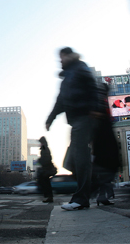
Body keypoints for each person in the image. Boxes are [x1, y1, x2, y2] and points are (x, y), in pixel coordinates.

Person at [46, 47, 99, 211]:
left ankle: (82, 198)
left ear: (69, 56)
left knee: (80, 157)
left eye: (62, 57)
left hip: (85, 118)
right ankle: (96, 185)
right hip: (76, 121)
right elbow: (61, 100)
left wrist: (94, 109)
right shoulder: (67, 76)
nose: (60, 61)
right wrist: (50, 118)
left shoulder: (80, 68)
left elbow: (92, 86)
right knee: (70, 161)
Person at [37, 136, 57, 203]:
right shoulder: (45, 148)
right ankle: (49, 197)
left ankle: (48, 197)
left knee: (45, 183)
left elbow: (47, 158)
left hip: (46, 169)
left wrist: (40, 161)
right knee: (46, 183)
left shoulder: (44, 148)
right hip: (46, 168)